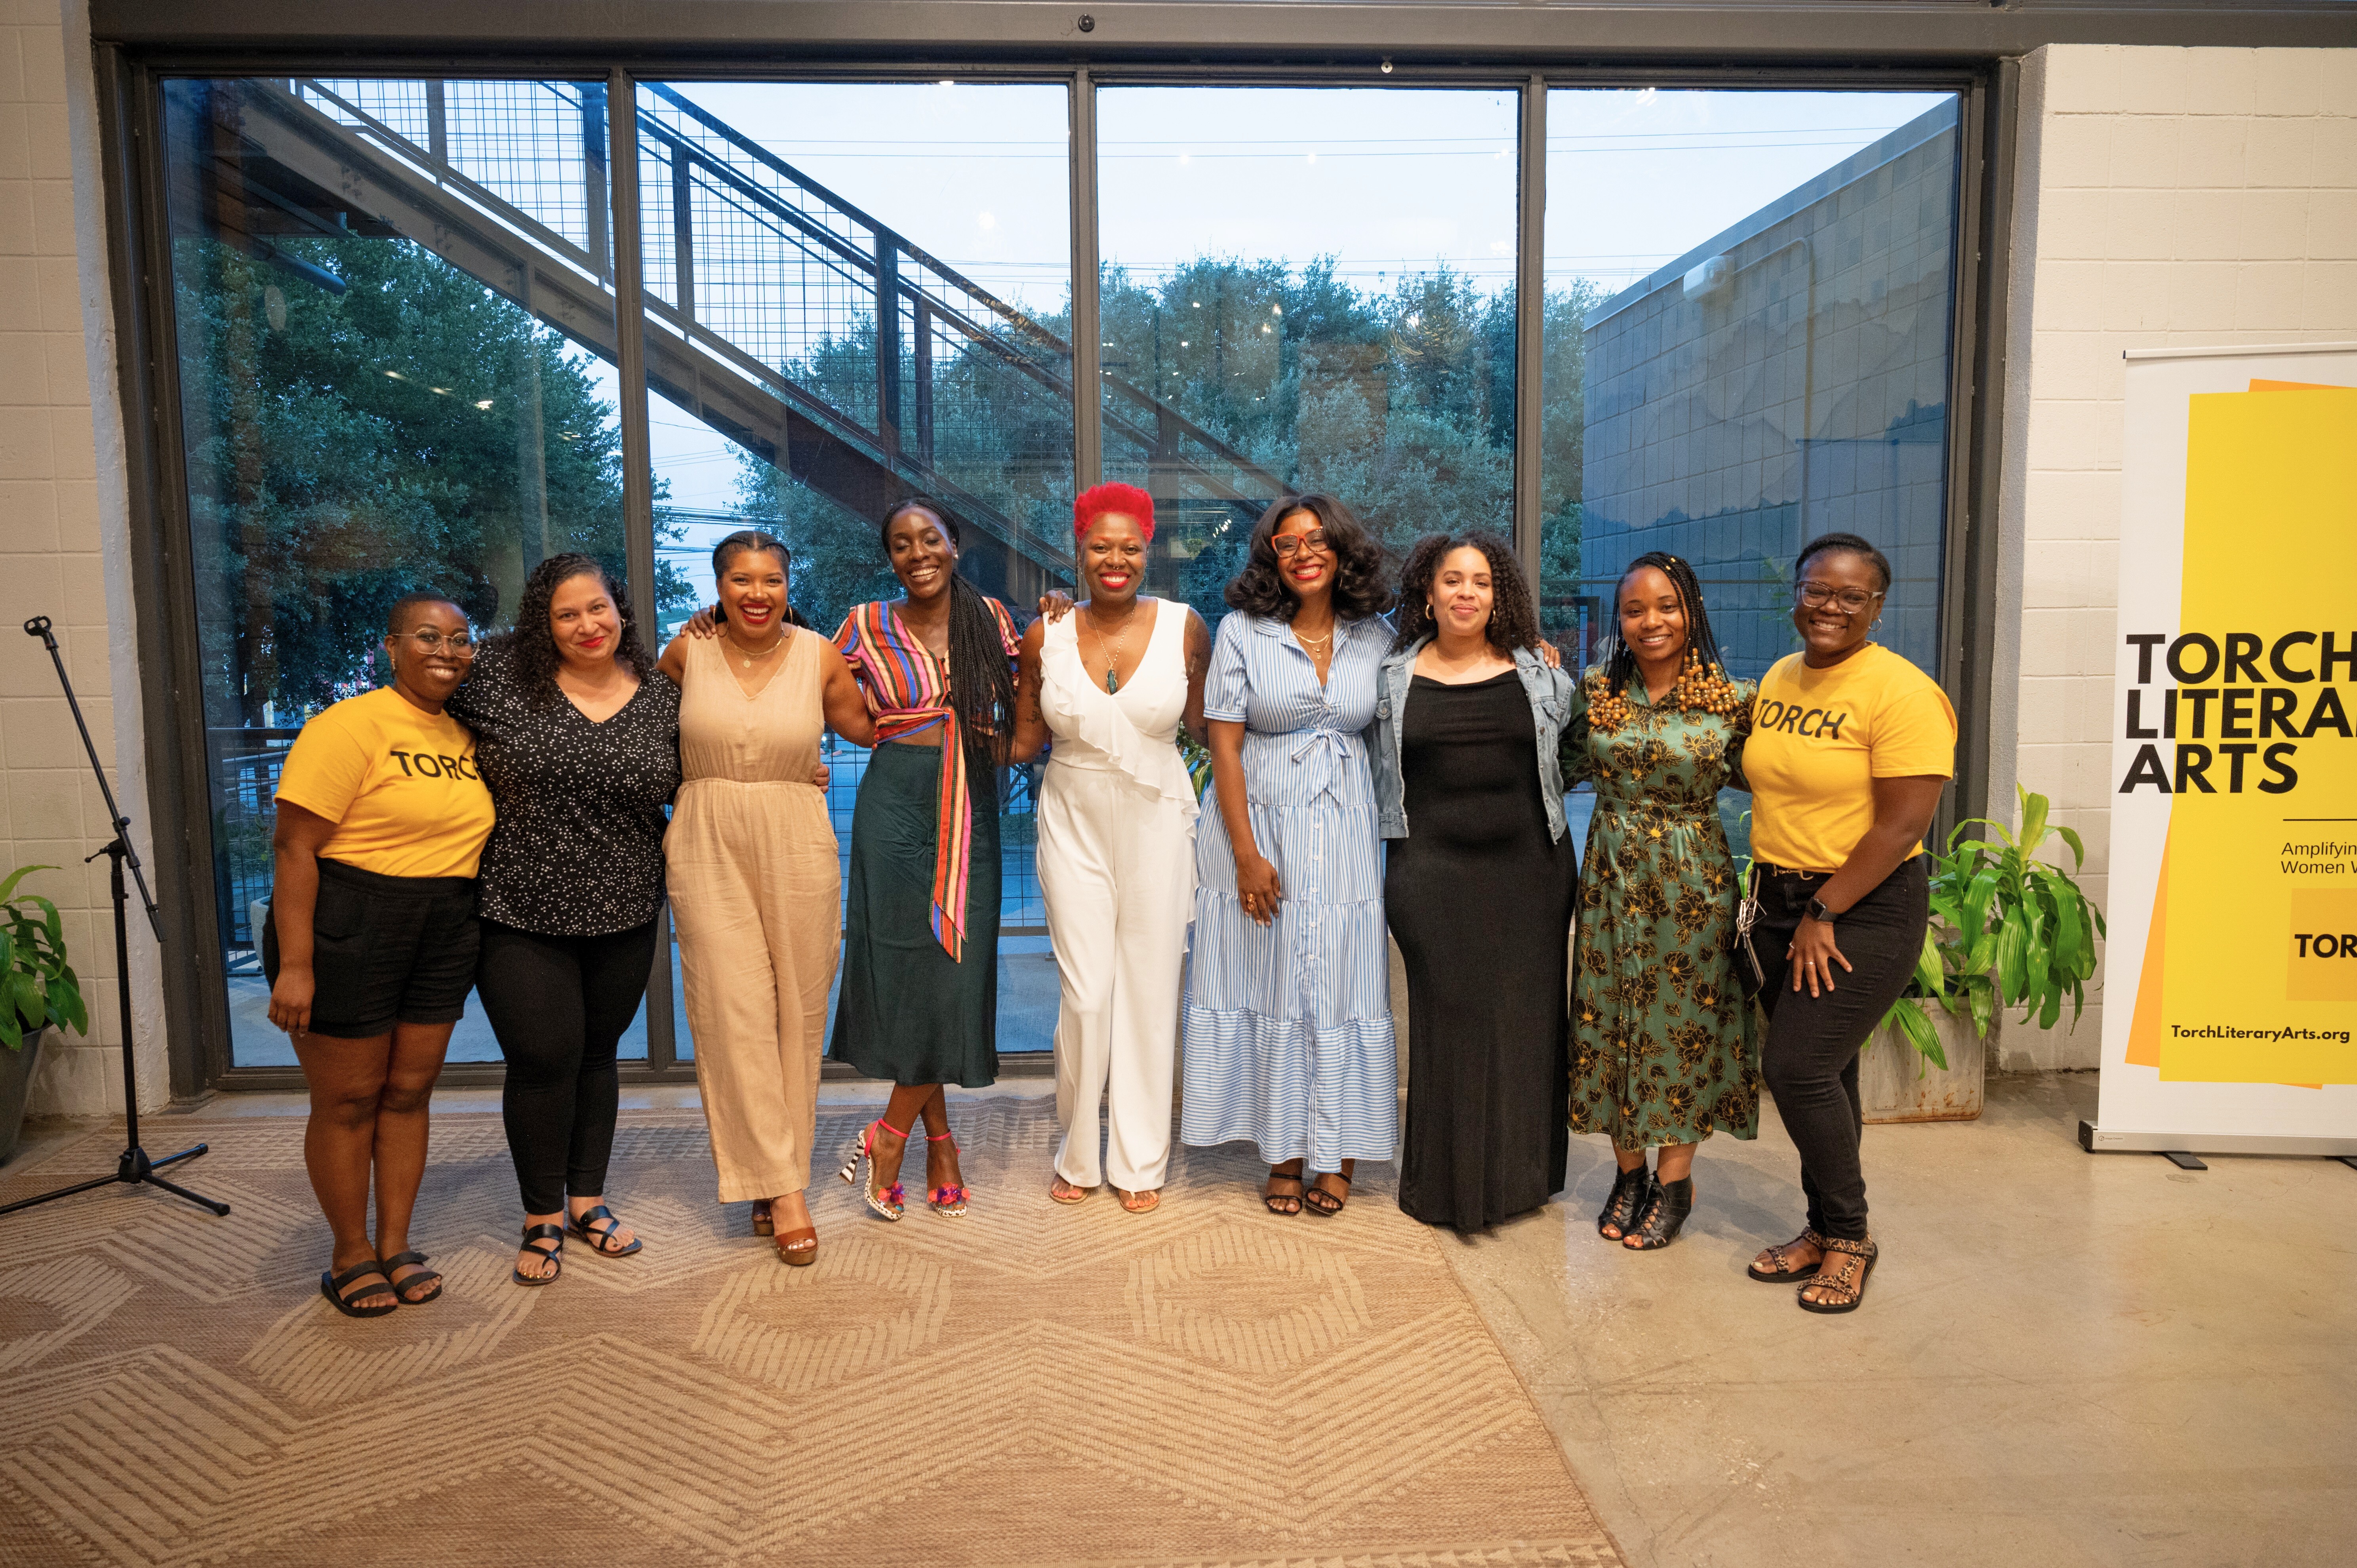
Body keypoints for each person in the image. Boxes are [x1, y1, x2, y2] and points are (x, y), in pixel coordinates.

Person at [448, 554, 677, 1287]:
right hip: (519, 909)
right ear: (543, 625)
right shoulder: (497, 683)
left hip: (627, 907)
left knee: (599, 1057)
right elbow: (419, 714)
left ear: (622, 612)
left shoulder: (662, 697)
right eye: (567, 614)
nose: (588, 625)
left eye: (599, 609)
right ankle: (541, 1214)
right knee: (544, 1061)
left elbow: (717, 761)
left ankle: (588, 1200)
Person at [265, 592, 495, 1317]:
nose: (446, 652)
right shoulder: (349, 725)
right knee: (348, 1097)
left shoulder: (466, 733)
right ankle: (349, 1252)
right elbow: (295, 847)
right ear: (391, 647)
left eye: (461, 640)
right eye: (428, 637)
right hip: (350, 920)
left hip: (444, 923)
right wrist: (297, 965)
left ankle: (395, 1242)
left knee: (407, 1092)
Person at [1740, 531, 1953, 1314]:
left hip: (1863, 905)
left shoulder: (1903, 693)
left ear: (1877, 606)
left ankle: (1852, 1238)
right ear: (1795, 592)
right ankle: (1823, 1230)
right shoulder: (1781, 677)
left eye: (1849, 596)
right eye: (1816, 590)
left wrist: (1825, 910)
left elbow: (1900, 828)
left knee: (1796, 1068)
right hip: (1776, 900)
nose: (1829, 606)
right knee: (1829, 1074)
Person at [660, 531, 875, 1265]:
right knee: (732, 1009)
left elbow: (874, 728)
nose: (758, 594)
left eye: (772, 580)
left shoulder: (821, 655)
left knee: (798, 1010)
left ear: (789, 585)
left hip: (796, 834)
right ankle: (785, 1191)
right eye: (742, 580)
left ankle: (770, 1170)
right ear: (718, 587)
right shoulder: (685, 653)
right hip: (706, 837)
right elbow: (640, 739)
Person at [1180, 493, 1398, 1218]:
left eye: (1316, 540)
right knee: (1268, 978)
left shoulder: (1378, 636)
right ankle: (1284, 1153)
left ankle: (1338, 1155)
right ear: (1271, 557)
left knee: (1342, 982)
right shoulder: (1243, 631)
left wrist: (1535, 651)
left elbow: (1449, 663)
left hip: (1345, 837)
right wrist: (1245, 853)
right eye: (1286, 544)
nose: (1304, 552)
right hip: (1260, 826)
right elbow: (1224, 743)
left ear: (1341, 549)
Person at [1373, 532, 1582, 1233]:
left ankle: (1518, 1183)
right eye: (1453, 581)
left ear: (1501, 596)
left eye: (1483, 582)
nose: (1467, 593)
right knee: (1452, 1023)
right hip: (1429, 876)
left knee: (1524, 1024)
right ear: (1427, 594)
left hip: (1531, 872)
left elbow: (1576, 757)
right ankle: (1445, 1186)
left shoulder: (1544, 676)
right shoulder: (1388, 677)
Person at [1012, 482, 1210, 1214]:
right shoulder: (1047, 634)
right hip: (1073, 818)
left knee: (1151, 991)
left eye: (1130, 547)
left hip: (1159, 818)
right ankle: (1077, 1147)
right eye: (1102, 546)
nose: (1116, 559)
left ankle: (1139, 1160)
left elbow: (1207, 727)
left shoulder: (1188, 627)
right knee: (1088, 994)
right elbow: (1025, 740)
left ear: (1148, 549)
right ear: (1081, 551)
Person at [828, 498, 1023, 1221]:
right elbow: (814, 689)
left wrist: (1062, 605)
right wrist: (713, 626)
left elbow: (1038, 678)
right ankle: (942, 1143)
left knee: (954, 970)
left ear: (955, 543)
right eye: (902, 543)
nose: (919, 553)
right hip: (897, 803)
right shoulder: (862, 626)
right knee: (910, 967)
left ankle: (891, 1134)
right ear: (891, 558)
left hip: (969, 800)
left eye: (930, 539)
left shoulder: (994, 621)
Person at [1569, 552, 1758, 1252]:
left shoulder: (1735, 701)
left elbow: (1781, 781)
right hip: (1611, 879)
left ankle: (1674, 1181)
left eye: (1667, 607)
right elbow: (1548, 764)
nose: (1651, 621)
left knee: (1682, 1031)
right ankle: (1627, 1172)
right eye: (1635, 610)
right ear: (1620, 620)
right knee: (1609, 1019)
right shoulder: (1594, 693)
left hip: (1694, 885)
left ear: (1693, 612)